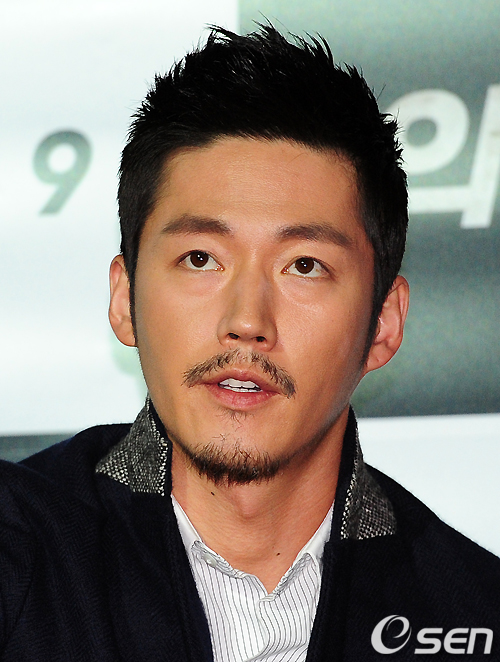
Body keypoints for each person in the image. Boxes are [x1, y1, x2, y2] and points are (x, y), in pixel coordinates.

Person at [1, 25, 499, 662]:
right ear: (125, 300)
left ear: (383, 323)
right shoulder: (20, 551)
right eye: (201, 258)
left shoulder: (473, 614)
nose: (246, 320)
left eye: (304, 266)